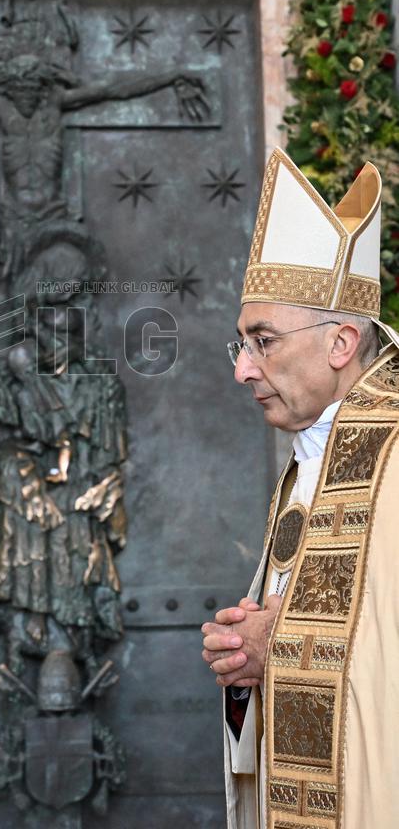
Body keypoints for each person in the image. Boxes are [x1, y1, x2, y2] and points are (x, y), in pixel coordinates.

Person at [200, 147, 399, 829]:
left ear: (340, 343)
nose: (243, 371)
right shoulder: (313, 451)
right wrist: (245, 653)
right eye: (241, 345)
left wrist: (275, 644)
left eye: (263, 341)